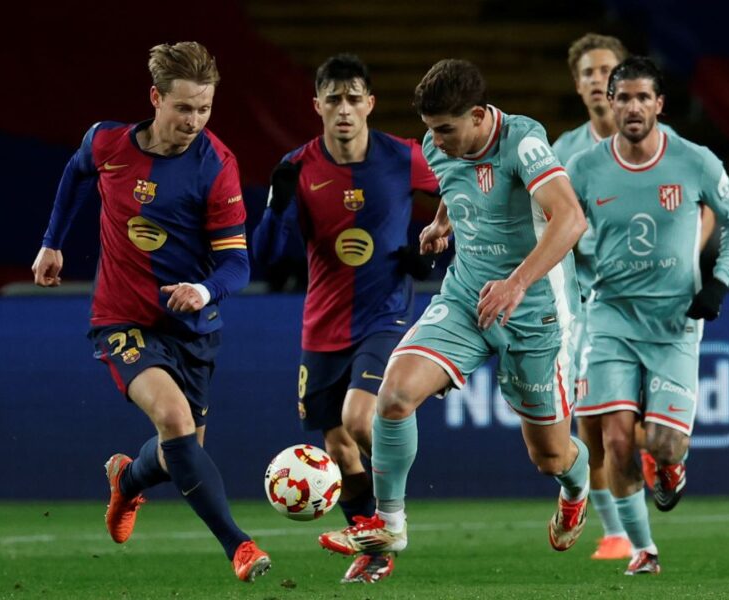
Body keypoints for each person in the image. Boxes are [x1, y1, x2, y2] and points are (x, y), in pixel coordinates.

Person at [318, 59, 591, 567]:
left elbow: (570, 217)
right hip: (466, 297)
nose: (436, 142)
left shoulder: (522, 141)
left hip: (536, 312)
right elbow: (455, 183)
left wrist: (515, 284)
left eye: (446, 130)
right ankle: (390, 525)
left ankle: (576, 489)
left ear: (479, 115)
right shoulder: (435, 144)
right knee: (394, 396)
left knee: (549, 456)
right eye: (430, 130)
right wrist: (444, 222)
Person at [31, 41, 270, 583]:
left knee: (177, 454)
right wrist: (53, 242)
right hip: (122, 319)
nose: (195, 121)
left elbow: (237, 263)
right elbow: (75, 173)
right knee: (174, 420)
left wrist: (204, 291)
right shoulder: (108, 141)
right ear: (156, 98)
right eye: (184, 108)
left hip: (192, 327)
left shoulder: (217, 167)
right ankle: (241, 545)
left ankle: (127, 479)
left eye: (205, 109)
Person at [252, 53, 439, 584]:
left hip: (385, 316)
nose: (344, 109)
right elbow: (268, 253)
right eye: (333, 99)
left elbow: (459, 197)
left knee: (362, 421)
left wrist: (432, 248)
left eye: (354, 98)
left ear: (370, 104)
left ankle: (391, 516)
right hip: (323, 324)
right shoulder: (298, 166)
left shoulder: (403, 157)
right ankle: (375, 548)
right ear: (317, 106)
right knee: (336, 445)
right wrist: (276, 205)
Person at [567, 56, 729, 575]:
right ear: (610, 101)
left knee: (666, 445)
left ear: (659, 104)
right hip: (611, 318)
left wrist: (718, 281)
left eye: (643, 97)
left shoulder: (694, 161)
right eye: (622, 97)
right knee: (615, 437)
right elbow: (556, 226)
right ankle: (643, 550)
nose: (632, 107)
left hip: (674, 322)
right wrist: (572, 280)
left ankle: (669, 467)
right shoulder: (585, 168)